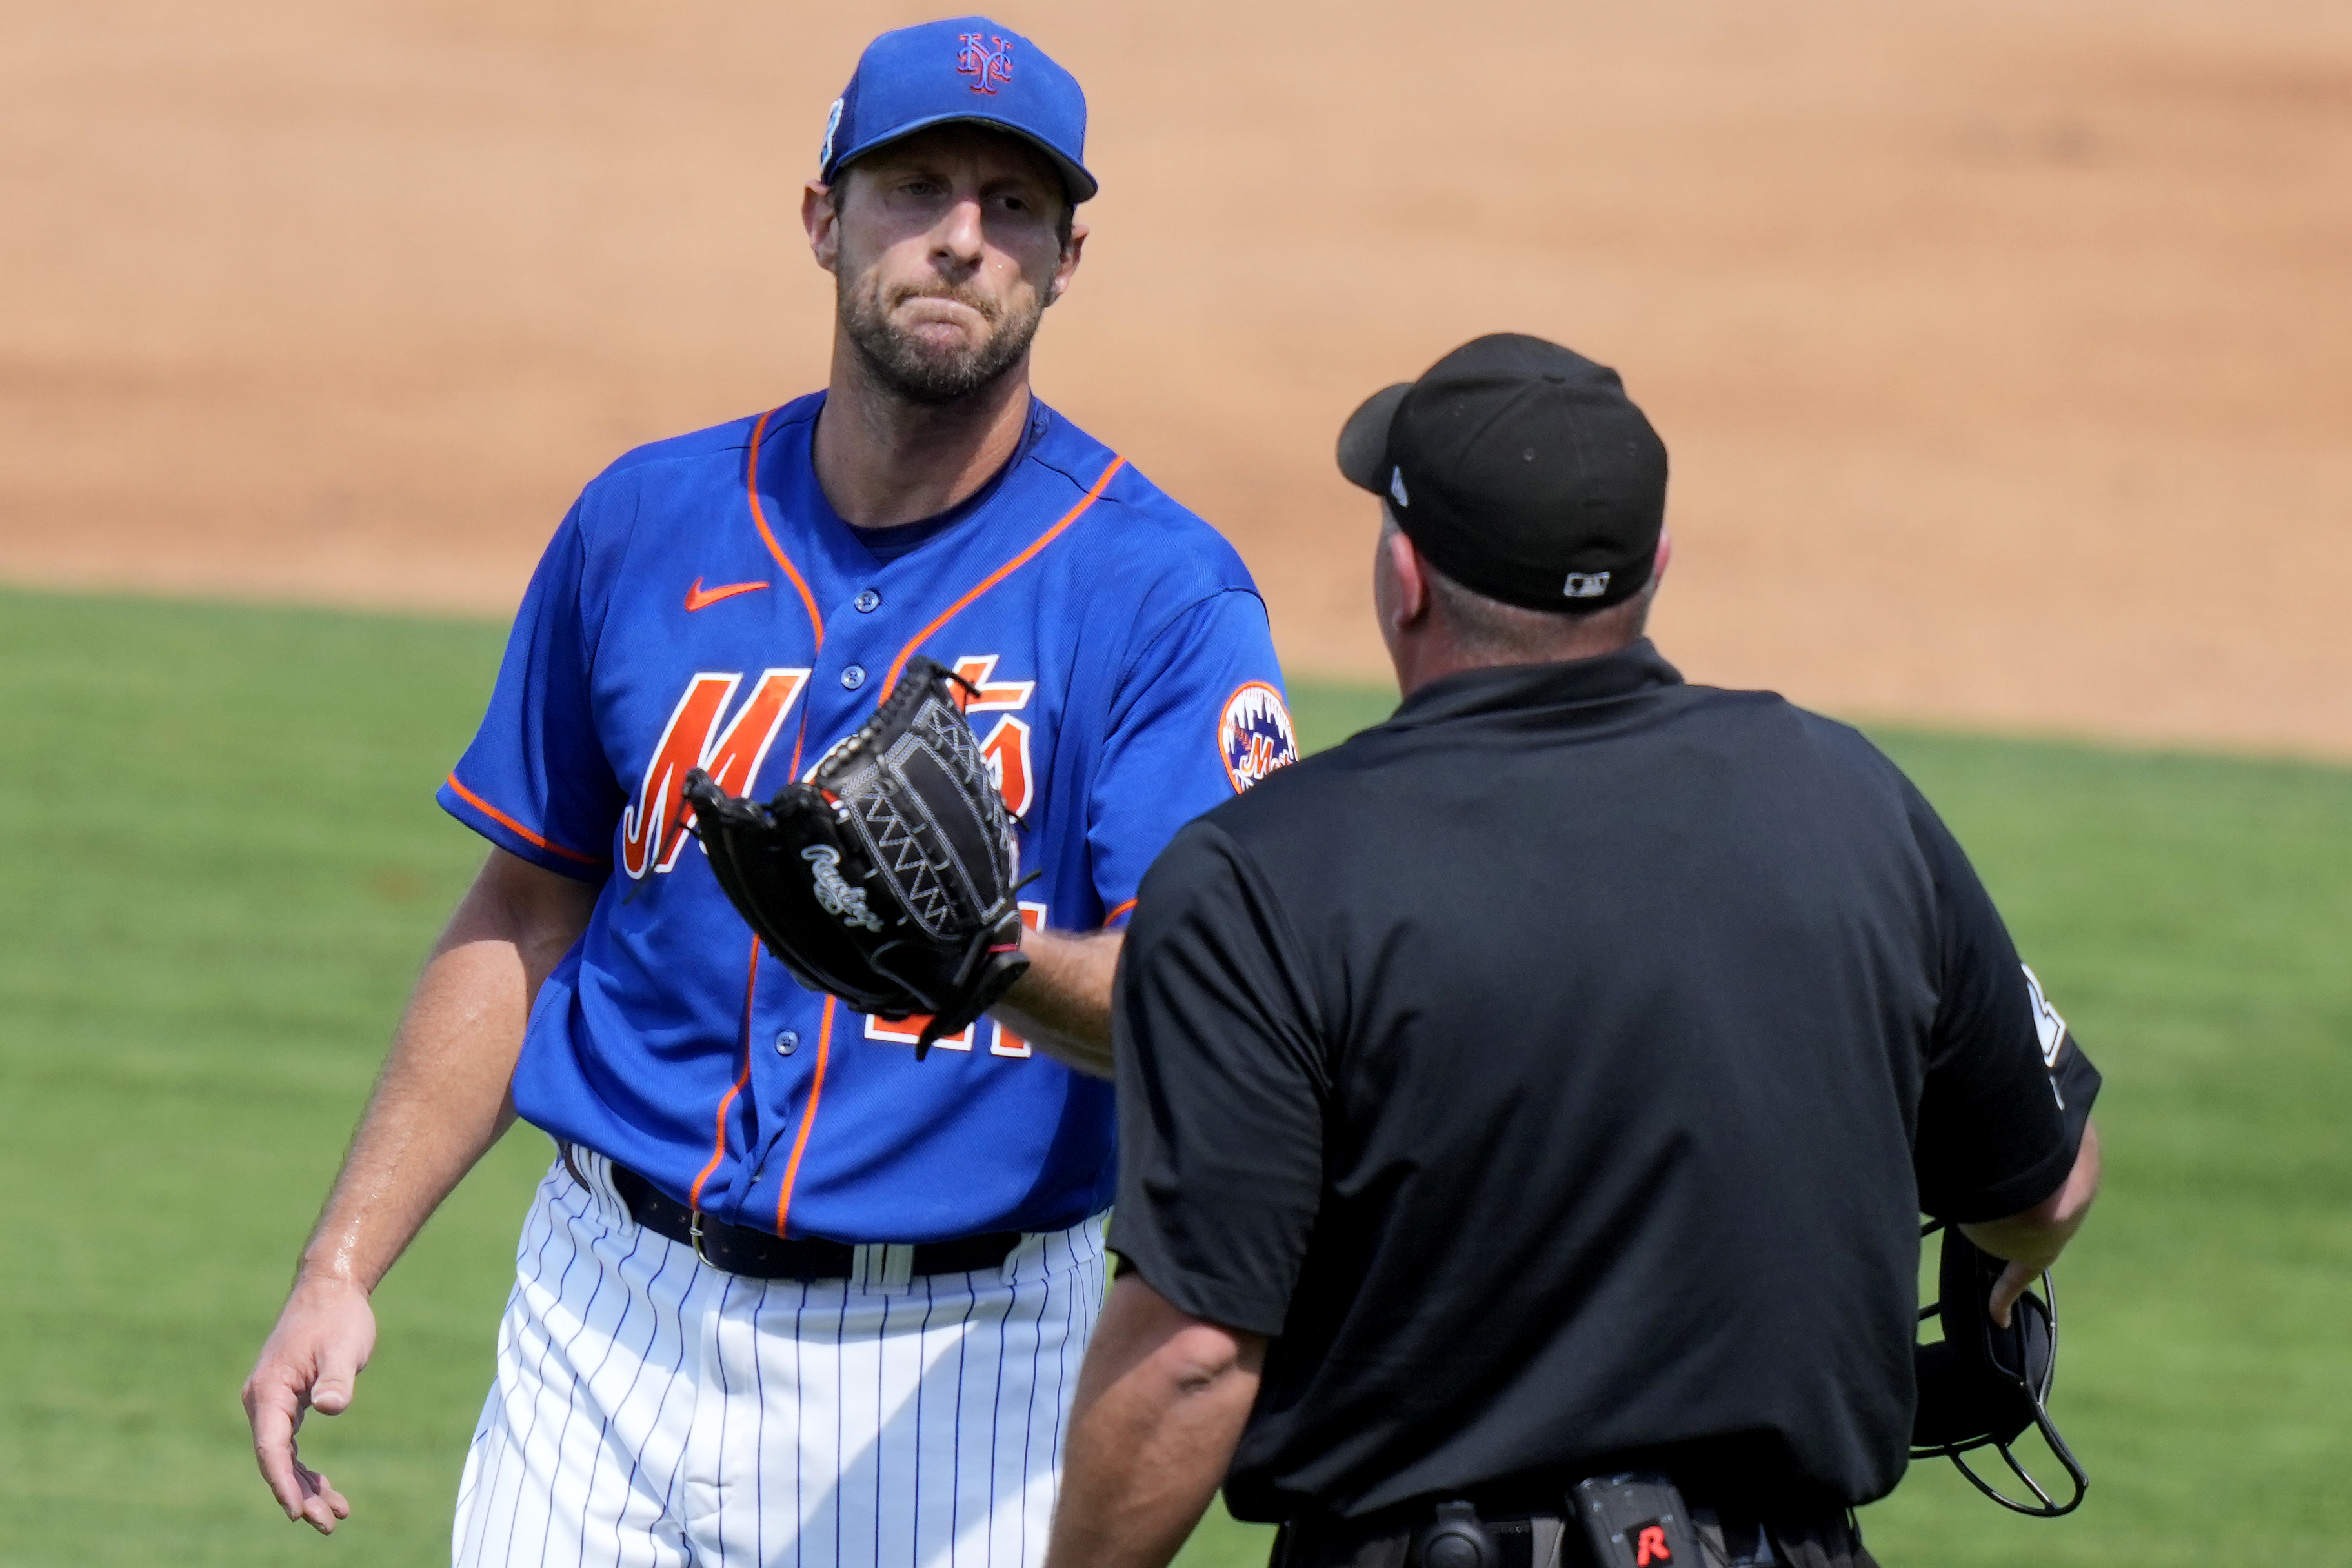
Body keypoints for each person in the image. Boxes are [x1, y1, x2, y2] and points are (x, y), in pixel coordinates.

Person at [240, 18, 1298, 1567]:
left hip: (956, 1360)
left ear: (1068, 258)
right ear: (822, 217)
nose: (959, 238)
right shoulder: (642, 522)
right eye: (915, 186)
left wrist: (985, 966)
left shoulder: (1160, 598)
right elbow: (526, 904)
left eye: (1010, 209)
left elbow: (1212, 1009)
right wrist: (339, 1262)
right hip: (603, 1320)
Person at [1043, 334, 2103, 1568]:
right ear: (1655, 567)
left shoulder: (1259, 876)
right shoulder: (1854, 801)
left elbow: (1194, 1355)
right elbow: (2047, 1185)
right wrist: (1990, 1279)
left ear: (1405, 577)